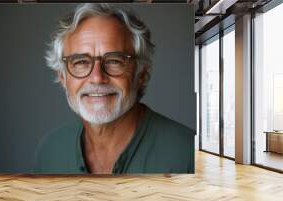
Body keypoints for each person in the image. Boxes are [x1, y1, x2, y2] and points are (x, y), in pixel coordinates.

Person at [34, 3, 194, 174]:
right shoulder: (49, 152)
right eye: (80, 62)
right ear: (62, 77)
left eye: (114, 61)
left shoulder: (189, 155)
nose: (97, 77)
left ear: (141, 74)